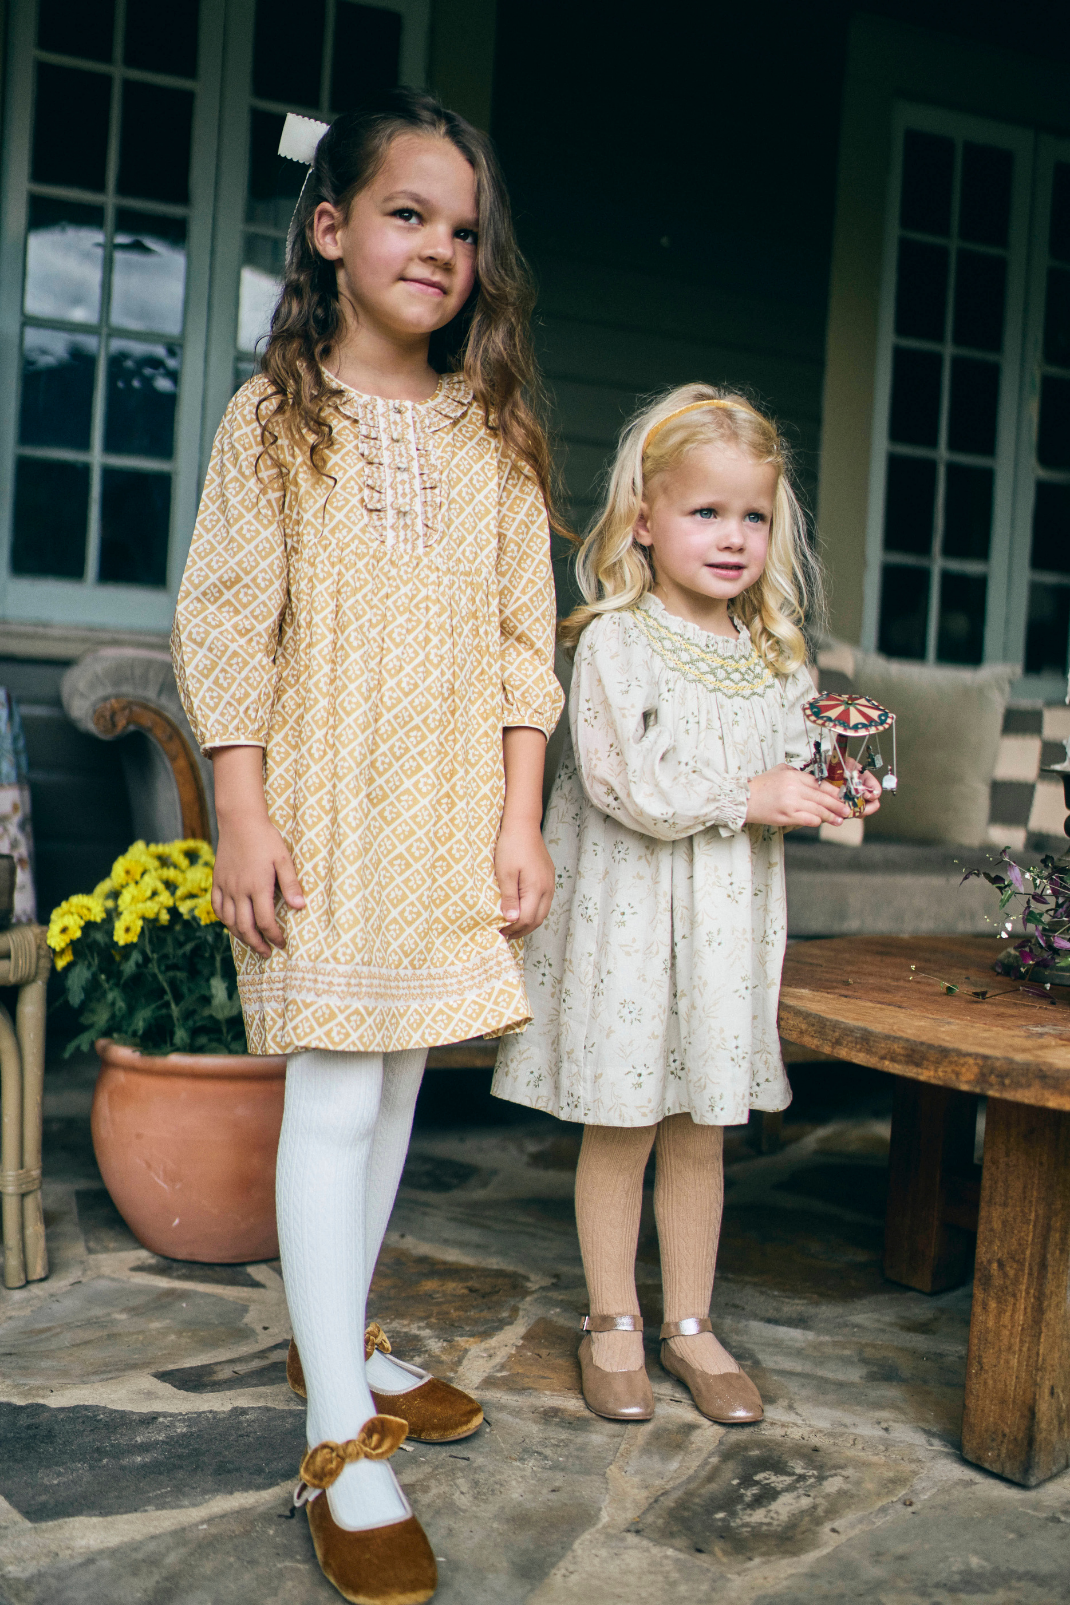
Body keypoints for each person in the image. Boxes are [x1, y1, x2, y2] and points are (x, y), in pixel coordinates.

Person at [172, 89, 563, 1605]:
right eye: (408, 214)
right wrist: (242, 810)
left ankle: (337, 1338)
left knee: (394, 1083)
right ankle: (338, 1429)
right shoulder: (274, 421)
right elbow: (226, 624)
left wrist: (519, 818)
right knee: (334, 1090)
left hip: (446, 811)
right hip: (324, 810)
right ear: (330, 230)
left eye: (463, 229)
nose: (440, 248)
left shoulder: (493, 434)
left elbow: (524, 645)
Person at [492, 384, 880, 1428]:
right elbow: (625, 783)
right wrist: (749, 796)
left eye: (752, 514)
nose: (733, 536)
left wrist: (829, 783)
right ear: (644, 521)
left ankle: (691, 1325)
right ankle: (612, 1321)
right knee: (623, 1123)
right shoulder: (616, 641)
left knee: (702, 1127)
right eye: (705, 511)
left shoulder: (774, 655)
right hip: (628, 922)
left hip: (720, 932)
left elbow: (790, 763)